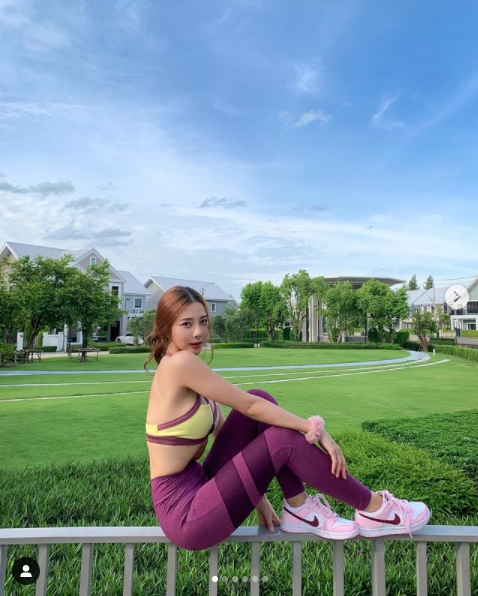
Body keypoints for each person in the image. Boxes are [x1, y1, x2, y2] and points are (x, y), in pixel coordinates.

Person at [145, 286, 430, 551]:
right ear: (167, 326)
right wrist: (315, 429)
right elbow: (249, 407)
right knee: (279, 435)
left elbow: (229, 437)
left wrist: (257, 498)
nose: (198, 332)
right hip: (185, 514)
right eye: (187, 324)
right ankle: (376, 509)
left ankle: (299, 507)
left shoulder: (185, 366)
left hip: (202, 482)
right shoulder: (180, 364)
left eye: (203, 321)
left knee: (262, 396)